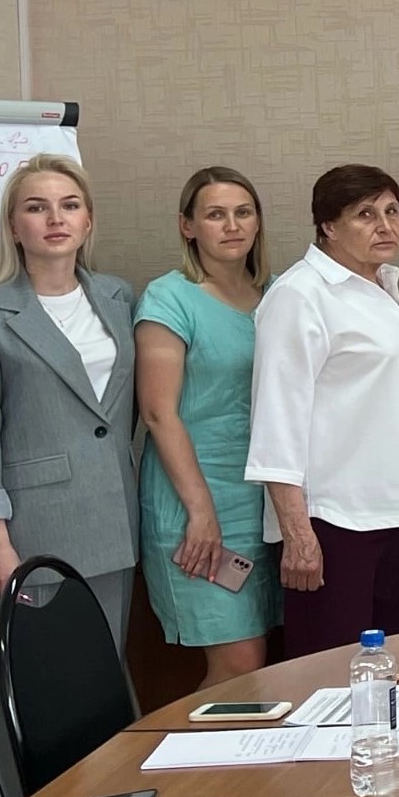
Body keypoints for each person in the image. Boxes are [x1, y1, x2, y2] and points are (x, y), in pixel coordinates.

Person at [0, 155, 137, 786]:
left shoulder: (118, 297)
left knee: (99, 679)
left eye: (69, 205)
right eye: (36, 207)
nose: (55, 218)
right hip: (31, 527)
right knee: (29, 688)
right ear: (14, 226)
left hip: (112, 516)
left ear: (88, 221)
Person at [245, 165, 399, 657]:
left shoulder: (382, 286)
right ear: (327, 225)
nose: (385, 226)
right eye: (365, 214)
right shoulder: (300, 295)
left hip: (393, 511)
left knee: (390, 671)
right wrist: (297, 533)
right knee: (328, 673)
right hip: (330, 518)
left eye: (392, 211)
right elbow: (276, 420)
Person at [135, 167, 275, 686]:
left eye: (243, 213)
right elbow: (157, 413)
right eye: (215, 214)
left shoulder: (277, 295)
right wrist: (201, 511)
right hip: (196, 503)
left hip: (266, 504)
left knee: (270, 659)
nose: (232, 226)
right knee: (239, 662)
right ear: (188, 226)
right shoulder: (170, 298)